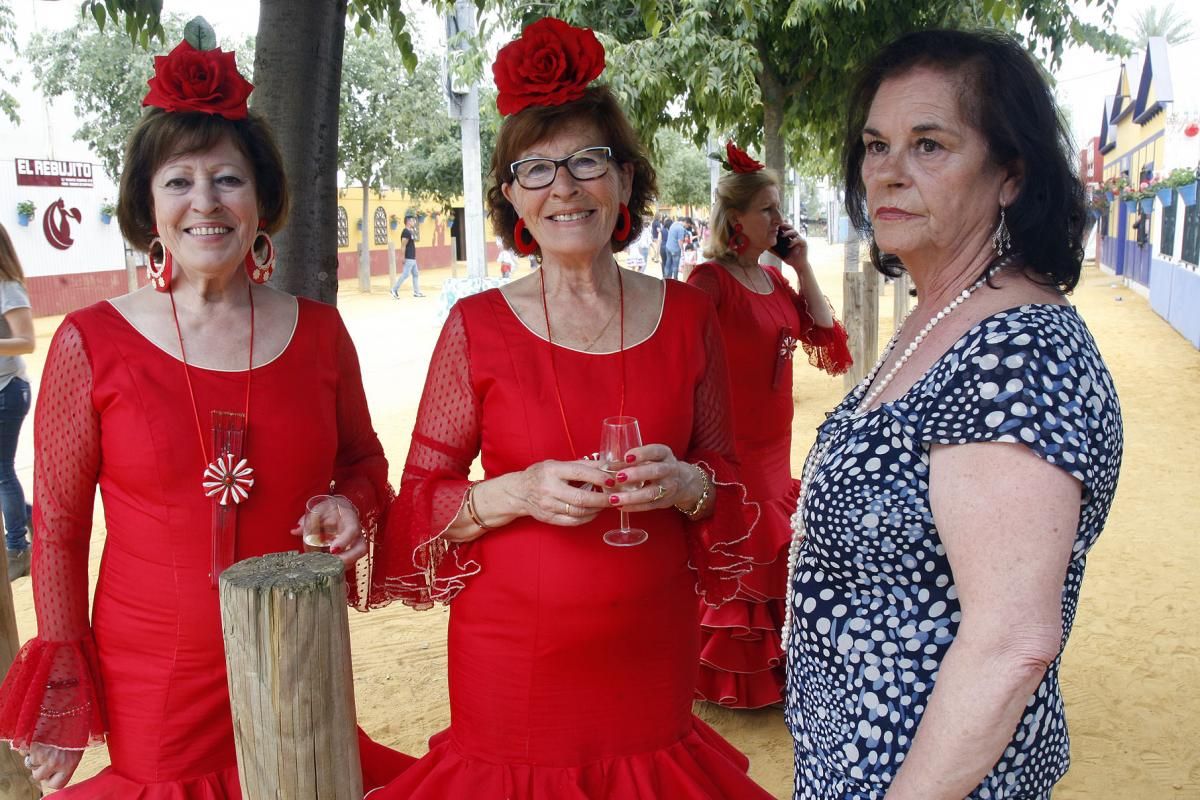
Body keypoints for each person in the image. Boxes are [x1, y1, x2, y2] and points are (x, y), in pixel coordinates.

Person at [368, 17, 774, 799]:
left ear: (624, 179)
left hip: (651, 657)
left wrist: (687, 484)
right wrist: (515, 492)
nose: (565, 186)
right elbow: (415, 505)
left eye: (588, 160)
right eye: (536, 168)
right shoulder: (475, 327)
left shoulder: (689, 315)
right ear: (511, 196)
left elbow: (728, 475)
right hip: (513, 668)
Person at [0, 34, 411, 795]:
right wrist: (62, 687)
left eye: (228, 179)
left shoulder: (319, 332)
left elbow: (364, 464)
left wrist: (350, 508)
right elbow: (56, 529)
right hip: (154, 667)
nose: (205, 202)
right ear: (147, 204)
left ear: (260, 200)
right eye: (179, 181)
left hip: (298, 646)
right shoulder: (92, 343)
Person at [785, 29, 1123, 798]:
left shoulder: (1019, 353)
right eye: (876, 146)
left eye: (929, 145)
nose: (888, 174)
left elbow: (1011, 645)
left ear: (1010, 174)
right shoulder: (944, 317)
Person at [688, 141, 851, 709]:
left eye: (779, 210)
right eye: (769, 211)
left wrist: (802, 264)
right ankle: (732, 675)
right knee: (750, 546)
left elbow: (825, 334)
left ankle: (784, 667)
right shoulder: (709, 281)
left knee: (778, 545)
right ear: (736, 220)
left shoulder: (775, 281)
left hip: (775, 447)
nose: (780, 221)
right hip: (733, 446)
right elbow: (677, 358)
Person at [0, 224, 34, 582]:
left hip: (7, 391)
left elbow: (26, 341)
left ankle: (17, 548)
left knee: (2, 471)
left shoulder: (7, 288)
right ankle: (28, 517)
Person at [390, 214, 425, 298]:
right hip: (408, 257)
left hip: (412, 257)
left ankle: (416, 292)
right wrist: (403, 256)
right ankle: (394, 289)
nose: (414, 222)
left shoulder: (409, 232)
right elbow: (403, 245)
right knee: (405, 274)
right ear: (408, 222)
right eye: (412, 220)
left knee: (415, 274)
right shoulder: (405, 232)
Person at [664, 214, 688, 280]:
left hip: (668, 247)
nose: (686, 226)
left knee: (668, 263)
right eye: (686, 224)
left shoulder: (673, 224)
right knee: (675, 265)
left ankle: (666, 277)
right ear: (684, 222)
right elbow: (680, 241)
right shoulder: (681, 228)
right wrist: (682, 250)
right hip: (675, 249)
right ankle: (675, 279)